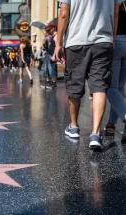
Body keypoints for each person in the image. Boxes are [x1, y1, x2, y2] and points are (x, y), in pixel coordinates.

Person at [55, 0, 123, 149]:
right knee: (100, 86)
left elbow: (63, 13)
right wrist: (112, 37)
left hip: (76, 41)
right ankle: (95, 133)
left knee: (74, 85)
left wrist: (58, 43)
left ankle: (73, 127)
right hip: (103, 40)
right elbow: (116, 12)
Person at [105, 2, 126, 142]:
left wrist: (111, 38)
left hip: (117, 40)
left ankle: (124, 117)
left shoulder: (116, 3)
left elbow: (115, 15)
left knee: (111, 88)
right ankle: (111, 124)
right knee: (119, 88)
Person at [41, 24, 58, 89]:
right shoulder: (52, 36)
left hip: (52, 54)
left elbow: (57, 46)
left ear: (53, 28)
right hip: (48, 54)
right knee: (46, 69)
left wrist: (54, 55)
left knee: (52, 69)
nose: (48, 31)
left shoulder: (56, 36)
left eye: (49, 30)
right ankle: (48, 83)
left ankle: (53, 83)